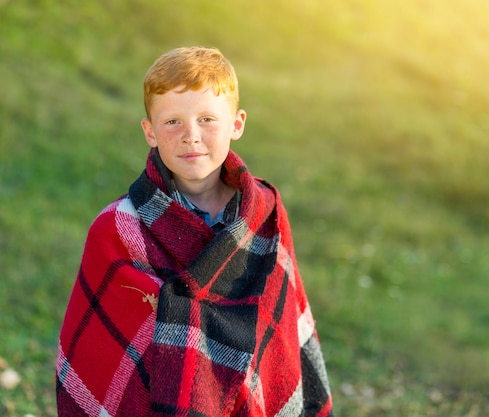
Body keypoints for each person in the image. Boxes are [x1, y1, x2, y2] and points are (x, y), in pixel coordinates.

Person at [56, 46, 333, 417]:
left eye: (207, 119)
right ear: (149, 131)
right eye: (172, 122)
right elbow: (98, 356)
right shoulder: (117, 229)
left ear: (237, 123)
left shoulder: (265, 213)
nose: (191, 135)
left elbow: (279, 334)